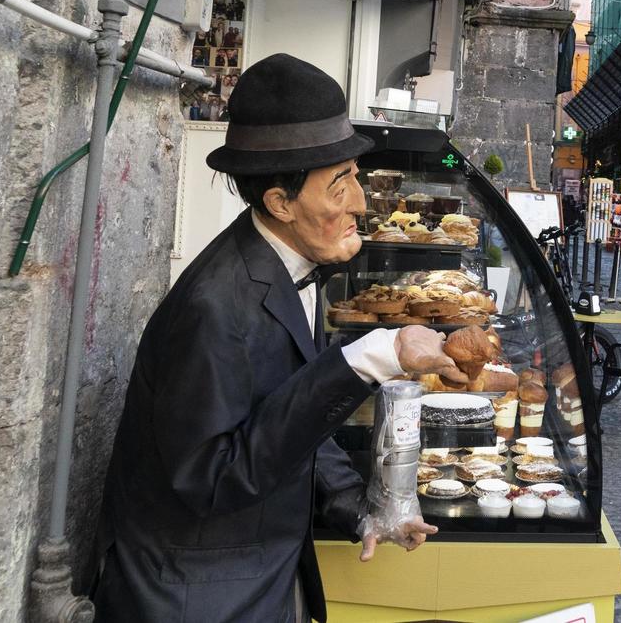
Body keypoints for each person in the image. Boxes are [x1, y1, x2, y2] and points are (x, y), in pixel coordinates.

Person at [93, 54, 468, 623]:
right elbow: (210, 479)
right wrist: (371, 356)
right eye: (339, 185)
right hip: (195, 600)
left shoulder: (283, 265)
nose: (360, 205)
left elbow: (290, 426)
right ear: (279, 202)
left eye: (354, 178)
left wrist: (360, 507)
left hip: (255, 582)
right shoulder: (212, 309)